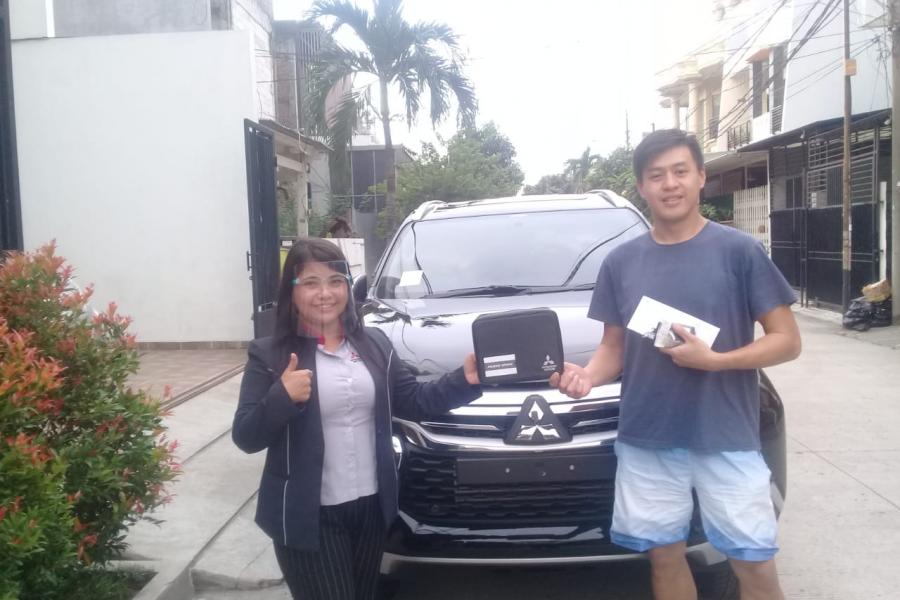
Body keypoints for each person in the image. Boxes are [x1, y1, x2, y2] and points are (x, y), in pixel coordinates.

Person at [551, 129, 801, 600]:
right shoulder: (621, 262)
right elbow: (613, 349)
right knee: (665, 558)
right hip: (647, 439)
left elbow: (787, 341)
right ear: (641, 187)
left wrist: (716, 361)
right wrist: (586, 376)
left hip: (726, 436)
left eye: (680, 172)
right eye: (657, 175)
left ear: (701, 177)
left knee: (754, 562)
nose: (670, 184)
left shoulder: (739, 251)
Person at [232, 238, 481, 600]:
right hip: (309, 514)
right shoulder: (270, 354)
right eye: (311, 282)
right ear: (292, 291)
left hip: (370, 509)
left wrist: (464, 380)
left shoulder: (374, 344)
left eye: (336, 281)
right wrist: (281, 397)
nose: (325, 293)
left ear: (348, 287)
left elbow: (414, 401)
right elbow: (246, 436)